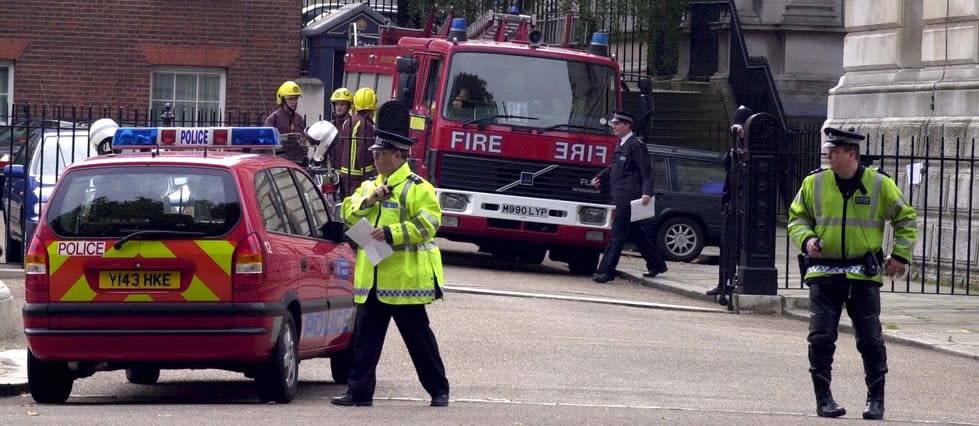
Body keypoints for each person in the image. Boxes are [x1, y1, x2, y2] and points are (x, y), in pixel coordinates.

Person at [788, 127, 917, 420]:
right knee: (820, 337)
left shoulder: (879, 184)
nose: (828, 156)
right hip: (824, 272)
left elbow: (906, 218)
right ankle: (824, 400)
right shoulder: (814, 183)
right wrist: (807, 239)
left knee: (870, 339)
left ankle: (876, 400)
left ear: (851, 155)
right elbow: (797, 217)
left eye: (834, 152)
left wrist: (900, 255)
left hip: (863, 275)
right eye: (828, 151)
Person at [332, 100, 449, 408]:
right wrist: (368, 201)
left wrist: (393, 233)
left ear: (397, 155)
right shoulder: (370, 186)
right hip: (372, 275)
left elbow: (430, 224)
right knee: (365, 341)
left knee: (419, 340)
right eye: (375, 153)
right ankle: (358, 393)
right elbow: (347, 213)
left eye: (380, 154)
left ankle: (438, 389)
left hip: (404, 281)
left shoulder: (417, 188)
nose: (376, 158)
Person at [590, 110, 667, 283]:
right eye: (614, 123)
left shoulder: (635, 145)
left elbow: (647, 171)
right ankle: (657, 264)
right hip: (620, 195)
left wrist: (647, 192)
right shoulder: (622, 144)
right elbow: (615, 167)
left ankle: (606, 271)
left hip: (629, 198)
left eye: (617, 124)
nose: (614, 127)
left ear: (627, 125)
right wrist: (600, 176)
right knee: (636, 233)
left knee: (617, 234)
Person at [707, 105, 752, 297]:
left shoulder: (752, 147)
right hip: (731, 203)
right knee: (725, 246)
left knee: (739, 248)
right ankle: (723, 282)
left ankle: (737, 283)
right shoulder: (736, 147)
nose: (737, 130)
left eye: (740, 127)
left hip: (743, 205)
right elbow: (726, 164)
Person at [336, 87, 377, 197]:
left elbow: (341, 147)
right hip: (357, 176)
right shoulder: (366, 125)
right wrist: (369, 174)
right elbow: (363, 151)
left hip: (345, 173)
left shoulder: (348, 121)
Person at [264, 81, 307, 164]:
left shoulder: (300, 119)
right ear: (282, 100)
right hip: (279, 165)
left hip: (299, 164)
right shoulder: (272, 119)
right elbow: (267, 148)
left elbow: (304, 143)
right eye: (291, 98)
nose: (295, 102)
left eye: (296, 98)